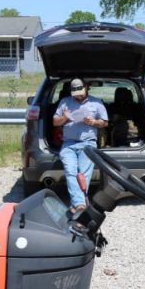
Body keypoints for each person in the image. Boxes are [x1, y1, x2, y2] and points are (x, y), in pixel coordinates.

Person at [52, 78, 108, 213]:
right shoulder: (65, 102)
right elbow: (55, 122)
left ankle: (77, 205)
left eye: (81, 93)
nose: (79, 96)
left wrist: (93, 122)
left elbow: (105, 122)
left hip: (88, 143)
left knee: (83, 174)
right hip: (68, 144)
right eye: (76, 94)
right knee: (70, 171)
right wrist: (65, 117)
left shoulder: (96, 103)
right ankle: (80, 204)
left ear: (87, 87)